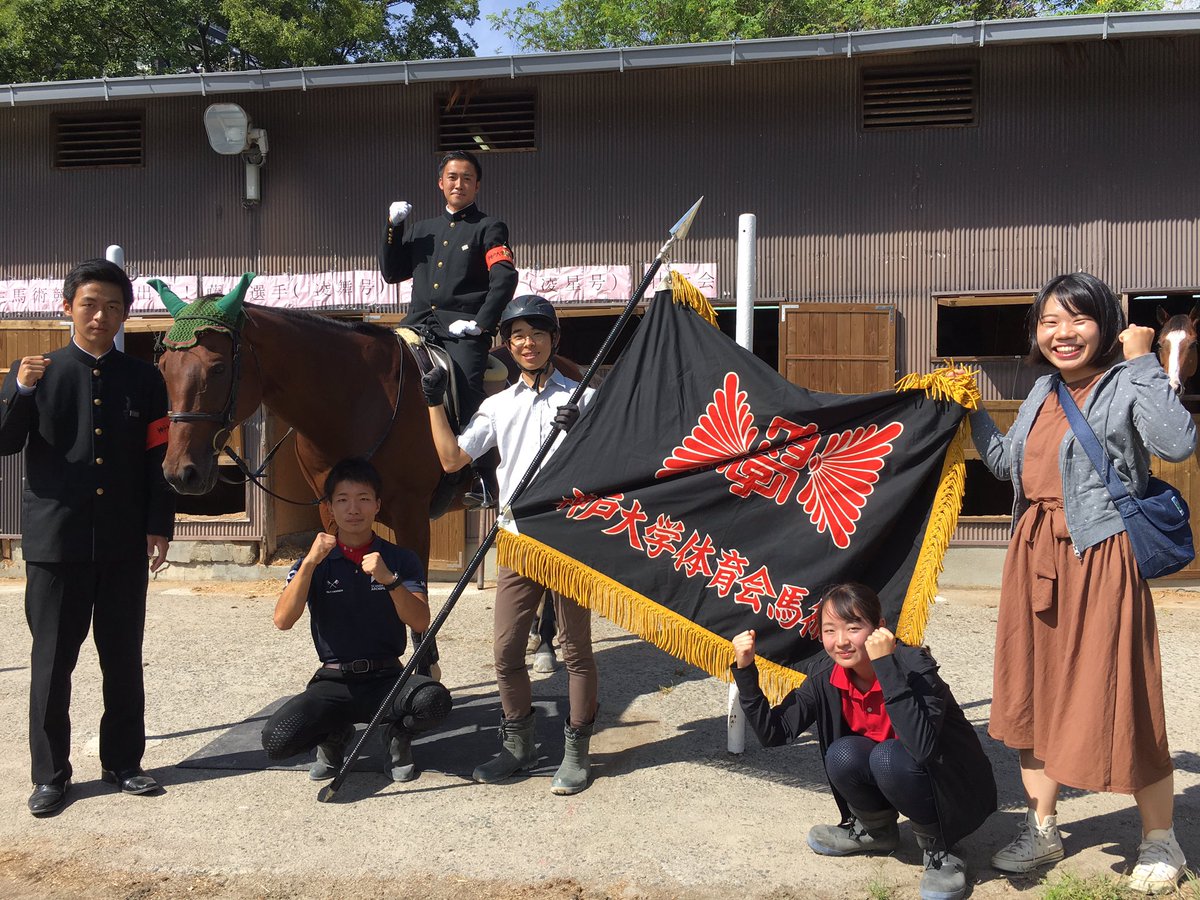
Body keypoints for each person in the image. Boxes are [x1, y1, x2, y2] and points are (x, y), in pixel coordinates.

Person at [968, 272, 1193, 893]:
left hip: (1100, 557)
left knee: (1125, 694)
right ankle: (1042, 828)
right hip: (1033, 555)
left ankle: (1159, 840)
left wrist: (1145, 359)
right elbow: (1008, 464)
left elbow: (1177, 443)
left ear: (1106, 324)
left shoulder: (1126, 382)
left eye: (1078, 319)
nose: (1062, 334)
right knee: (1031, 692)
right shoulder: (1042, 388)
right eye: (1049, 322)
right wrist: (971, 412)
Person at [0, 258, 175, 817]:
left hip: (124, 541)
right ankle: (51, 775)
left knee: (122, 657)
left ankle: (124, 763)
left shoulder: (145, 379)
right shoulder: (34, 371)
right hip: (58, 544)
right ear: (67, 307)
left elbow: (157, 459)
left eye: (114, 306)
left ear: (126, 314)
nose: (101, 315)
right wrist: (21, 392)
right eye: (90, 304)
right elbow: (5, 443)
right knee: (53, 662)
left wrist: (158, 526)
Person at [423, 294, 599, 794]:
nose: (527, 343)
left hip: (568, 536)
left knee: (575, 650)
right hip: (518, 537)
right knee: (505, 650)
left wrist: (581, 430)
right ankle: (517, 744)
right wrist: (434, 401)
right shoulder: (497, 405)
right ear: (508, 343)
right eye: (518, 335)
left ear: (554, 341)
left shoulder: (582, 398)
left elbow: (611, 459)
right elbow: (452, 460)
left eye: (537, 334)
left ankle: (576, 751)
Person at [732, 583, 996, 900]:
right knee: (843, 754)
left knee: (887, 757)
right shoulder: (824, 674)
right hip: (895, 770)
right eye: (830, 630)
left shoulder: (915, 668)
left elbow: (922, 748)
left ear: (878, 628)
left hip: (948, 787)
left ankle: (941, 847)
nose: (841, 641)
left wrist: (885, 666)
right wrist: (746, 670)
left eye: (853, 627)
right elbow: (773, 733)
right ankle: (876, 831)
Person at [261, 458, 452, 784]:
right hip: (333, 682)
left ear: (377, 506)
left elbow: (420, 622)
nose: (354, 509)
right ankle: (334, 736)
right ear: (330, 508)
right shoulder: (315, 562)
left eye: (363, 499)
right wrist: (308, 563)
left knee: (434, 701)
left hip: (387, 678)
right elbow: (282, 619)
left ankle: (396, 735)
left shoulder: (399, 559)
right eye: (343, 500)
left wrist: (389, 580)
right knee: (276, 740)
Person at [379, 149, 517, 431]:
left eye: (467, 178)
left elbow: (504, 279)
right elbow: (392, 273)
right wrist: (393, 227)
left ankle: (477, 469)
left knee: (467, 394)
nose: (459, 184)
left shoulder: (489, 228)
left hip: (462, 332)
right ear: (440, 183)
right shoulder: (421, 230)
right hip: (415, 327)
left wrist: (481, 324)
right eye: (452, 177)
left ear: (477, 185)